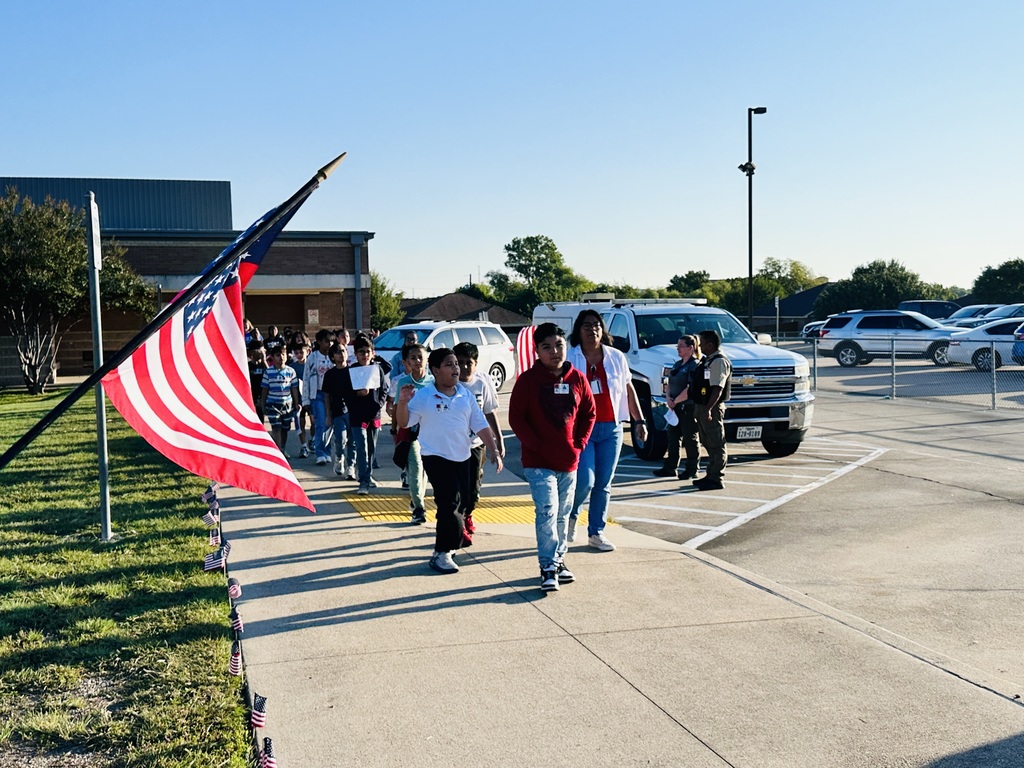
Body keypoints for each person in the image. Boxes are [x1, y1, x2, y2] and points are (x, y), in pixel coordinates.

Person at [396, 348, 503, 574]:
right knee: (449, 503)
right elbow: (405, 423)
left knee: (463, 502)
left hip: (462, 456)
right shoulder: (424, 395)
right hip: (435, 456)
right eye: (449, 364)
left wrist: (494, 449)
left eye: (456, 363)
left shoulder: (465, 395)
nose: (456, 368)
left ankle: (449, 544)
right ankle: (442, 552)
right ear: (435, 370)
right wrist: (403, 403)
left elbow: (480, 423)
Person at [509, 324, 596, 592]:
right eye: (546, 347)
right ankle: (547, 566)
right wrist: (537, 445)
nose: (554, 352)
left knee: (562, 514)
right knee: (547, 510)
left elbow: (589, 413)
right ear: (537, 350)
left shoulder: (577, 378)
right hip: (538, 462)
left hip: (568, 460)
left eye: (558, 345)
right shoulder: (528, 380)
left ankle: (559, 561)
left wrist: (579, 444)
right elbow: (516, 419)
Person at [566, 309, 647, 552]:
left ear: (603, 329)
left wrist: (639, 421)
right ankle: (572, 514)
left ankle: (596, 532)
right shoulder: (570, 357)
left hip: (612, 428)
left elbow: (628, 389)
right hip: (583, 429)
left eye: (597, 325)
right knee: (585, 481)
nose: (592, 329)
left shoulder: (616, 357)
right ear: (578, 330)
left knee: (603, 483)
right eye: (587, 325)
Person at [453, 341, 506, 537]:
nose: (465, 367)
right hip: (453, 446)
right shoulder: (449, 384)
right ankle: (458, 521)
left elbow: (489, 412)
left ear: (476, 364)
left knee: (473, 487)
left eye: (469, 362)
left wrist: (498, 439)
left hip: (475, 444)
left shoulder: (481, 383)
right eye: (460, 362)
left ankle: (468, 513)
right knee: (456, 487)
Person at [387, 343, 433, 523]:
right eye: (413, 358)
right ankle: (419, 509)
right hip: (410, 432)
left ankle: (416, 499)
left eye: (420, 357)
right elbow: (397, 407)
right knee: (415, 468)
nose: (417, 361)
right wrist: (394, 428)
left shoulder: (433, 383)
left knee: (425, 471)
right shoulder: (403, 383)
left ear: (427, 360)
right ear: (406, 362)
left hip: (429, 433)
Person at [338, 337, 389, 494]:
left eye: (368, 352)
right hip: (357, 415)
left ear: (372, 353)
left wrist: (379, 405)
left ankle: (368, 474)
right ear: (356, 354)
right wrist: (357, 394)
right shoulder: (351, 371)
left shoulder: (377, 369)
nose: (365, 355)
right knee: (361, 447)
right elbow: (344, 393)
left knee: (372, 448)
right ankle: (363, 481)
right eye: (361, 352)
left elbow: (384, 390)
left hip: (374, 414)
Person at [653, 334, 701, 479]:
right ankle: (670, 467)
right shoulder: (677, 364)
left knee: (690, 438)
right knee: (673, 437)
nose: (678, 349)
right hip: (675, 407)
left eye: (681, 346)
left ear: (690, 348)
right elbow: (669, 382)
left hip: (687, 407)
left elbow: (690, 388)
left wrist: (677, 400)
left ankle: (692, 469)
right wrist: (668, 398)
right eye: (677, 346)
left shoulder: (694, 365)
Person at [689, 330, 732, 491]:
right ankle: (710, 474)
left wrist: (708, 409)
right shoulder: (708, 360)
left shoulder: (719, 361)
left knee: (716, 443)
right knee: (707, 442)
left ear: (711, 344)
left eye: (702, 343)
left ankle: (716, 478)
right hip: (703, 406)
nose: (699, 346)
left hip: (711, 408)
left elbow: (717, 388)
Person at [259, 344, 300, 456]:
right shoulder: (268, 372)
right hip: (272, 404)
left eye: (283, 354)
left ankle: (282, 447)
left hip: (287, 404)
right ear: (272, 357)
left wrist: (296, 403)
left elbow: (294, 388)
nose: (281, 357)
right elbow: (265, 389)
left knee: (285, 428)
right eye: (278, 355)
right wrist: (263, 404)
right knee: (276, 427)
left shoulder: (291, 371)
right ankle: (278, 452)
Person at [303, 329, 336, 466]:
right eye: (327, 341)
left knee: (329, 424)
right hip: (317, 394)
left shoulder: (334, 356)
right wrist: (305, 399)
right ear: (319, 342)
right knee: (320, 423)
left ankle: (328, 451)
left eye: (331, 341)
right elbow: (306, 377)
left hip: (332, 395)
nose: (329, 344)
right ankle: (320, 453)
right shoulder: (312, 358)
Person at [289, 340, 312, 459]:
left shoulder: (311, 365)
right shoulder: (292, 367)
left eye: (301, 352)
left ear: (308, 352)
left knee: (314, 421)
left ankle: (313, 440)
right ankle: (304, 446)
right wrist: (295, 401)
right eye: (296, 353)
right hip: (298, 399)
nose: (299, 355)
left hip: (311, 398)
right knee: (300, 423)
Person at [247, 341, 267, 425]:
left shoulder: (264, 365)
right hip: (251, 394)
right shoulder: (248, 365)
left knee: (260, 417)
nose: (261, 354)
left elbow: (269, 374)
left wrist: (264, 361)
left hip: (261, 394)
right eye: (259, 351)